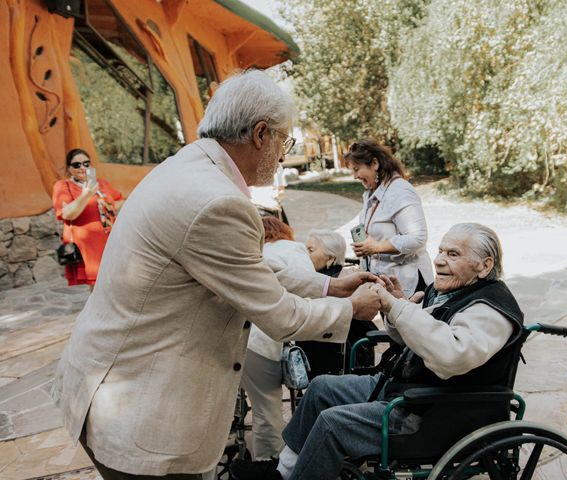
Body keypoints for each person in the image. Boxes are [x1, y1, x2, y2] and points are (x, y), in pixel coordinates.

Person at [51, 70, 380, 480]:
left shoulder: (188, 166)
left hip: (113, 387)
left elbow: (248, 272)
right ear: (261, 134)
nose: (282, 154)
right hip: (144, 416)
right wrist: (351, 309)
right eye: (284, 140)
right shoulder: (217, 202)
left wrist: (329, 285)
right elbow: (279, 317)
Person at [230, 223, 524, 480]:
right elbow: (418, 339)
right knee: (321, 388)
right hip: (407, 389)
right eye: (441, 251)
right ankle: (283, 472)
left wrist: (397, 307)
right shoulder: (452, 290)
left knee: (333, 423)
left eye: (453, 254)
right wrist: (399, 309)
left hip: (434, 412)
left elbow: (450, 355)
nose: (438, 261)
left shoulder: (489, 310)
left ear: (484, 266)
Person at [242, 216, 316, 462]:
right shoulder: (293, 248)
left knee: (257, 405)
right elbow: (308, 287)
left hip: (241, 337)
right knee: (267, 409)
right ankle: (268, 464)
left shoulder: (255, 252)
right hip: (261, 338)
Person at [346, 139, 433, 297]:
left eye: (357, 169)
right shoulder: (372, 193)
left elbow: (418, 237)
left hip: (408, 285)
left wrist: (377, 247)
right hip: (387, 283)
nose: (355, 176)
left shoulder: (400, 191)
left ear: (374, 164)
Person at [300, 229, 377, 377]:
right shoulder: (314, 280)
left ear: (330, 258)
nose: (305, 255)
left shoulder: (337, 282)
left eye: (310, 250)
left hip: (336, 361)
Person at [52, 148, 123, 288]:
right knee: (98, 287)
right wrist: (87, 194)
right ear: (69, 168)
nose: (82, 168)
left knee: (117, 282)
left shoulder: (102, 184)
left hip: (110, 241)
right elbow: (67, 214)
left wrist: (107, 206)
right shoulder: (63, 186)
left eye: (86, 163)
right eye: (77, 165)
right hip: (88, 246)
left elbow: (120, 200)